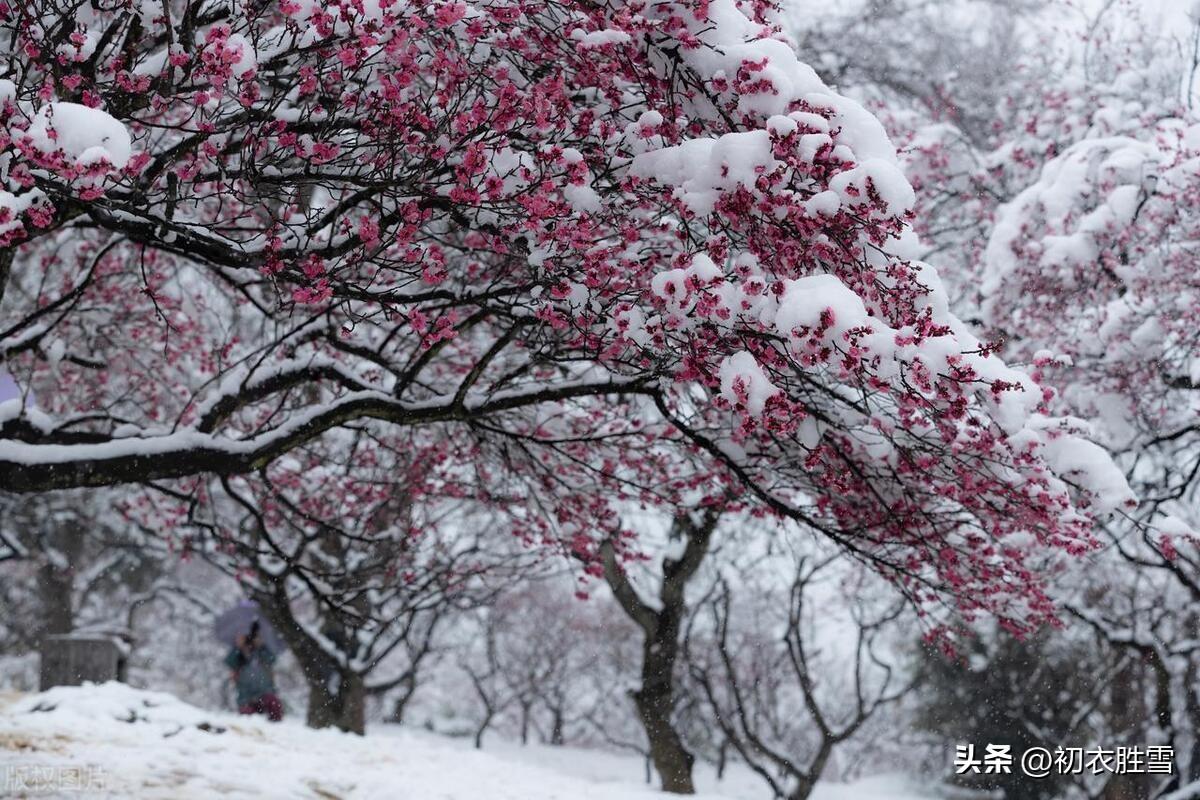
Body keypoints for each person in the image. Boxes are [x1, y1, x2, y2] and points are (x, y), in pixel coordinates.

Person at [225, 621, 283, 721]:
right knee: (247, 717)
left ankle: (276, 728)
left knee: (274, 705)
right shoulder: (238, 654)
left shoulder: (262, 651)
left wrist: (261, 646)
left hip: (265, 692)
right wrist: (239, 647)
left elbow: (272, 660)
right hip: (246, 696)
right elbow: (230, 662)